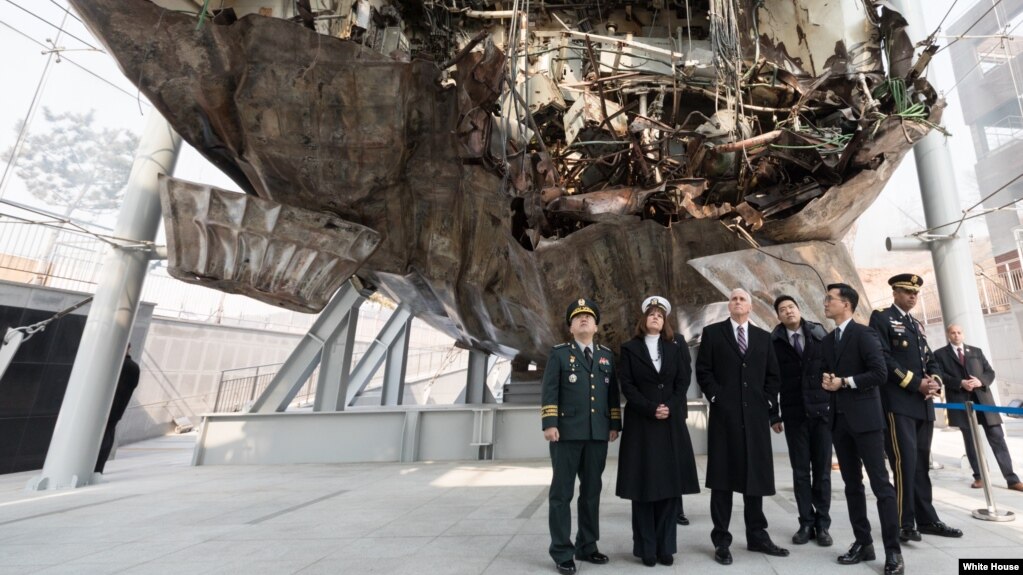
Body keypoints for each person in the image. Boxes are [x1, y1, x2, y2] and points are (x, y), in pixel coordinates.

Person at [696, 287, 788, 566]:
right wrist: (716, 397)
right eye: (733, 298)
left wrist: (767, 401)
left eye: (742, 299)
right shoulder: (712, 333)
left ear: (750, 307)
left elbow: (773, 375)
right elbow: (703, 371)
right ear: (729, 306)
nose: (737, 302)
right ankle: (721, 540)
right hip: (725, 418)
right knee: (723, 481)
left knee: (755, 480)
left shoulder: (763, 337)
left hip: (756, 419)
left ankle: (757, 535)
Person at [869, 274, 962, 542]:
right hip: (899, 402)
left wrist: (934, 380)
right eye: (907, 292)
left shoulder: (916, 324)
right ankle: (903, 522)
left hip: (922, 405)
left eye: (915, 293)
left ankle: (927, 518)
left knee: (921, 464)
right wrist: (914, 383)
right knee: (904, 463)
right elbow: (883, 358)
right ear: (895, 293)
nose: (912, 296)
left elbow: (929, 358)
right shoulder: (882, 318)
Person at [820, 283, 903, 575]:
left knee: (881, 486)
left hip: (866, 421)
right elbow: (830, 374)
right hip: (839, 423)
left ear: (847, 304)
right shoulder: (828, 340)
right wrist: (828, 381)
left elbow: (880, 374)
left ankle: (893, 552)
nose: (825, 303)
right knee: (852, 486)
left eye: (830, 299)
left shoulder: (864, 334)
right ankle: (863, 543)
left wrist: (845, 382)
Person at [616, 296, 700, 567]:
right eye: (651, 314)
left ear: (665, 322)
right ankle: (646, 548)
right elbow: (627, 386)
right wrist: (651, 408)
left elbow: (683, 380)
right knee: (643, 489)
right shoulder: (629, 349)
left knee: (668, 488)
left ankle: (666, 547)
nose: (656, 318)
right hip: (642, 424)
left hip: (670, 423)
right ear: (644, 319)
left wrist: (670, 407)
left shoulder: (674, 347)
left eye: (660, 315)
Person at [541, 298, 622, 575]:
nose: (584, 320)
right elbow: (550, 390)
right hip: (565, 434)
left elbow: (612, 394)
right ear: (571, 328)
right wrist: (549, 422)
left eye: (588, 317)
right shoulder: (560, 354)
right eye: (578, 318)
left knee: (591, 493)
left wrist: (614, 424)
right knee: (561, 494)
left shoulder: (606, 356)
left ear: (596, 326)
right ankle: (562, 552)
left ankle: (587, 545)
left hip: (597, 434)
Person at [770, 295, 833, 547]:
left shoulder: (819, 334)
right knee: (799, 472)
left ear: (799, 309)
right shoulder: (773, 342)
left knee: (823, 472)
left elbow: (833, 370)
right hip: (794, 415)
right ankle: (806, 522)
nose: (788, 312)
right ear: (778, 316)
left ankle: (823, 524)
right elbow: (770, 380)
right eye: (782, 309)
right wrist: (773, 413)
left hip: (822, 414)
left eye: (791, 307)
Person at [934, 324, 1023, 492]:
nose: (956, 335)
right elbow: (940, 376)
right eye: (953, 333)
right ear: (948, 335)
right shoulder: (940, 354)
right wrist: (960, 383)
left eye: (959, 332)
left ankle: (1012, 479)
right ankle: (979, 477)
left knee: (997, 437)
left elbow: (990, 372)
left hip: (983, 401)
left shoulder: (976, 351)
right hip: (960, 402)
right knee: (970, 440)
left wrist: (980, 381)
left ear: (963, 334)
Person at [95, 343, 141, 474]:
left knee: (104, 437)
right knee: (107, 436)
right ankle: (98, 468)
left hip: (108, 409)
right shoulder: (132, 367)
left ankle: (96, 468)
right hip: (115, 410)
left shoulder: (123, 366)